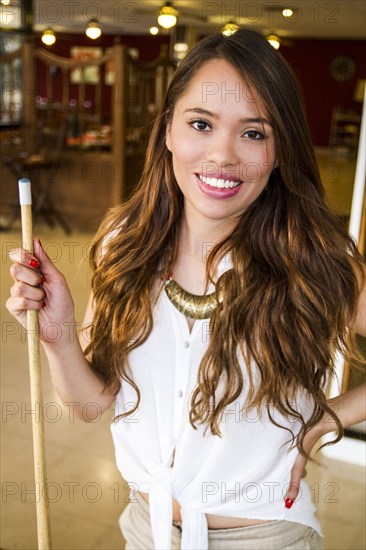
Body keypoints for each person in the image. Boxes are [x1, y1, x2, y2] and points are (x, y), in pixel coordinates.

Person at [7, 29, 366, 550]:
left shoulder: (311, 259)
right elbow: (90, 405)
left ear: (281, 150)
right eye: (202, 124)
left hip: (265, 537)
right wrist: (58, 336)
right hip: (143, 529)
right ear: (168, 130)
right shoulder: (122, 243)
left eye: (254, 133)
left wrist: (323, 423)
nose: (222, 155)